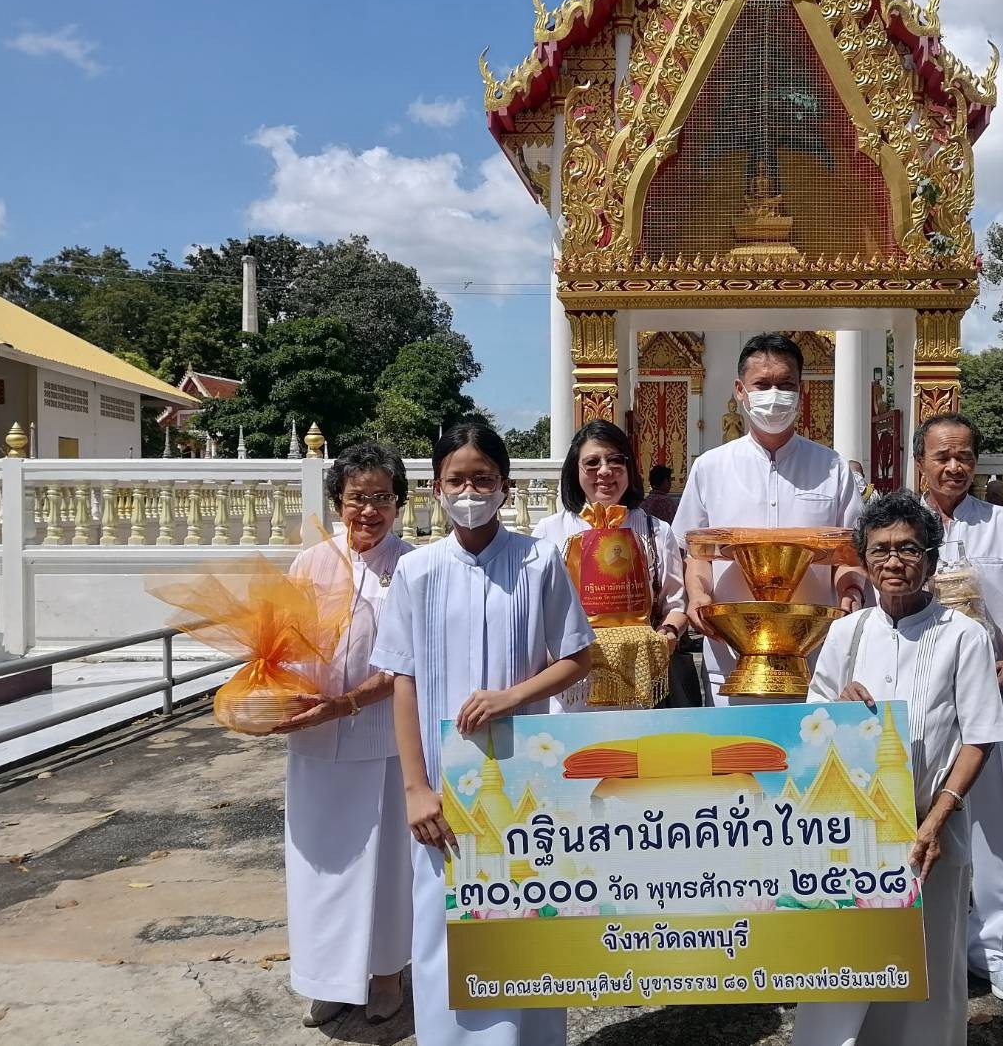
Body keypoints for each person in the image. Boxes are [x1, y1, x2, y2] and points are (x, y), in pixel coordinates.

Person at [370, 424, 595, 1046]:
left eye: (483, 479)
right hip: (447, 786)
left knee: (529, 918)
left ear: (506, 485)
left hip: (525, 775)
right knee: (447, 928)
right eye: (457, 480)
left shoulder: (539, 560)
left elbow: (578, 656)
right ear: (436, 489)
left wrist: (513, 697)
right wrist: (415, 787)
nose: (470, 491)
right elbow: (403, 682)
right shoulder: (417, 571)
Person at [793, 491, 1003, 1046]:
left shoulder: (965, 636)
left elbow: (979, 737)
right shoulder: (847, 633)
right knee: (847, 960)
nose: (894, 561)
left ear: (931, 561)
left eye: (909, 549)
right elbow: (811, 726)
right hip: (855, 832)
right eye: (881, 549)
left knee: (928, 965)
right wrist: (836, 707)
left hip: (928, 828)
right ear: (864, 563)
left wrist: (937, 820)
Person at [915, 413, 1003, 1003]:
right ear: (920, 460)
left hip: (993, 696)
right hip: (920, 698)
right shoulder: (901, 521)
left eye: (964, 455)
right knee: (917, 816)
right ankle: (914, 940)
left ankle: (993, 950)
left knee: (993, 827)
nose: (954, 467)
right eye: (942, 455)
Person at [273, 442, 415, 1027]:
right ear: (338, 502)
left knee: (385, 864)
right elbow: (281, 642)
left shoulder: (412, 566)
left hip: (382, 739)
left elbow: (408, 662)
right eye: (358, 498)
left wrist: (347, 704)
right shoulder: (308, 564)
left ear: (399, 504)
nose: (369, 511)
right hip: (313, 741)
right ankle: (330, 977)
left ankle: (386, 975)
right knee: (321, 863)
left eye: (381, 498)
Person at [673, 332, 867, 705]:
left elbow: (850, 553)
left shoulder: (833, 468)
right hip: (729, 656)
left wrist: (850, 592)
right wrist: (698, 595)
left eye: (785, 384)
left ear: (801, 390)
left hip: (816, 655)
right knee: (736, 759)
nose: (774, 395)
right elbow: (696, 552)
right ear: (740, 391)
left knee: (811, 756)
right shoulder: (710, 468)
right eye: (762, 385)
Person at [533, 422, 690, 708]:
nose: (604, 471)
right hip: (569, 692)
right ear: (575, 471)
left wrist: (667, 635)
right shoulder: (549, 531)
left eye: (615, 460)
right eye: (592, 463)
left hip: (638, 687)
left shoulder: (656, 531)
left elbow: (675, 605)